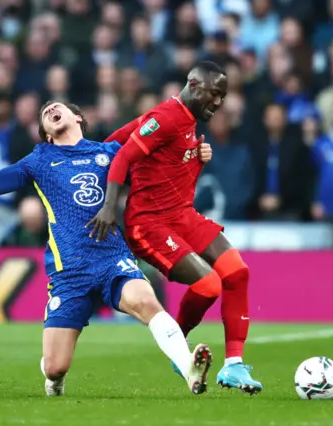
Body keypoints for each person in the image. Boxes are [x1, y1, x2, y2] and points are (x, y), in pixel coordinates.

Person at [0, 96, 214, 396]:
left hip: (112, 259)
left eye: (58, 107)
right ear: (46, 134)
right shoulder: (39, 160)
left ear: (78, 118)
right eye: (46, 112)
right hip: (69, 272)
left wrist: (193, 155)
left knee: (147, 302)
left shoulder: (109, 153)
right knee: (56, 365)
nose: (51, 110)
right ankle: (52, 378)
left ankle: (189, 369)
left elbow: (161, 165)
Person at [88, 61, 263, 394]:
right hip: (149, 224)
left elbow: (118, 142)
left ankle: (234, 366)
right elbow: (122, 156)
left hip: (182, 216)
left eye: (223, 97)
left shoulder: (185, 121)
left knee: (237, 273)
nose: (219, 103)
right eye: (215, 94)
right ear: (194, 85)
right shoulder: (167, 117)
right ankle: (179, 347)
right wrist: (109, 207)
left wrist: (195, 158)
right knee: (209, 286)